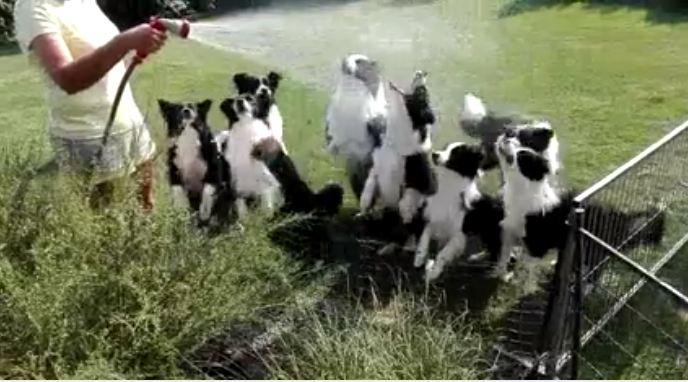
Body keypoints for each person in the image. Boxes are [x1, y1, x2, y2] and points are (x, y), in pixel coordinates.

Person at [13, 0, 168, 209]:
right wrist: (126, 41)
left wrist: (136, 46)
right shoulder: (33, 7)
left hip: (129, 123)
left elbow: (99, 51)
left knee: (146, 208)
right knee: (107, 223)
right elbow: (67, 79)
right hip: (88, 136)